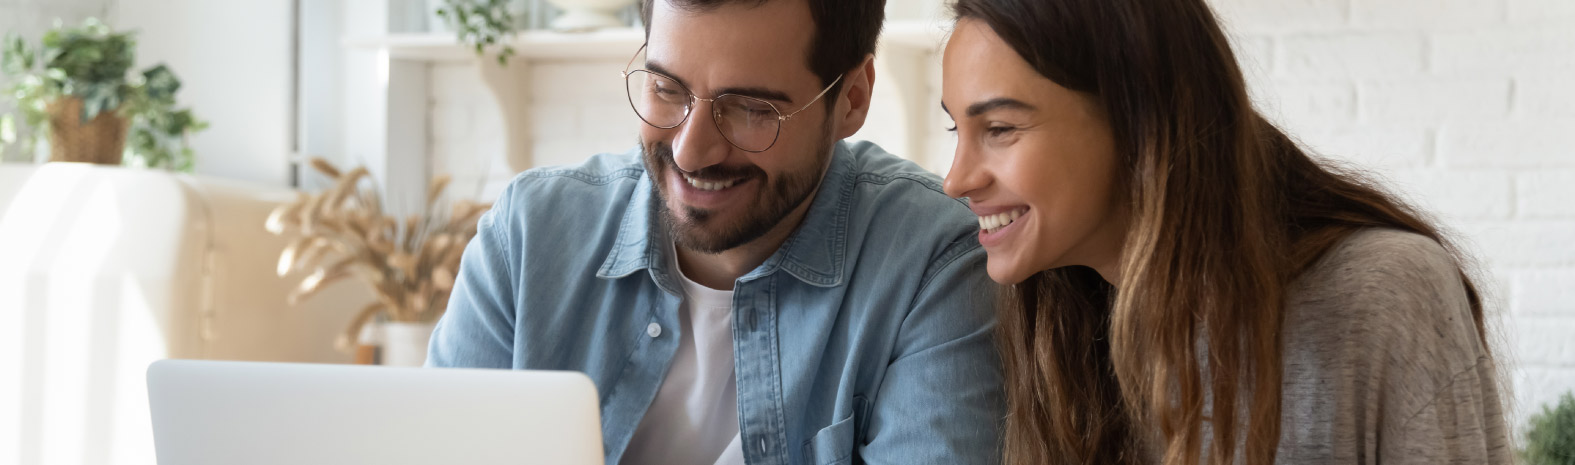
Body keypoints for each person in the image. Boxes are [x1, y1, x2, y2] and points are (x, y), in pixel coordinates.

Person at [428, 0, 1004, 463]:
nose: (691, 149)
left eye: (751, 108)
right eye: (666, 90)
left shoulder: (934, 263)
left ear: (852, 100)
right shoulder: (529, 235)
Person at [938, 0, 1511, 463]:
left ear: (1141, 119)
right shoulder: (1056, 326)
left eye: (1000, 128)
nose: (956, 179)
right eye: (956, 128)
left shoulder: (1384, 293)